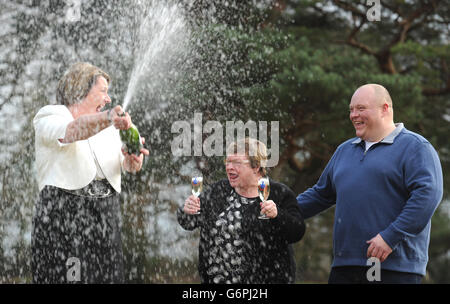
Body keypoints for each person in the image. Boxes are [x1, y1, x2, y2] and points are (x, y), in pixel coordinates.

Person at [296, 84, 443, 284]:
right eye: (351, 110)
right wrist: (281, 211)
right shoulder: (344, 150)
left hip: (393, 268)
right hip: (344, 266)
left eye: (361, 108)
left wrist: (390, 237)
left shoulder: (416, 148)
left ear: (385, 108)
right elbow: (320, 194)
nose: (353, 115)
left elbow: (427, 196)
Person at [31, 62, 149, 283]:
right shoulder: (50, 115)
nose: (108, 99)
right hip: (64, 215)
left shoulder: (108, 130)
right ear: (79, 90)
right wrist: (107, 118)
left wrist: (133, 159)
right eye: (103, 91)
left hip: (105, 215)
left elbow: (128, 166)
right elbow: (72, 132)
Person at [177, 137, 305, 284]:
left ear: (256, 166)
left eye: (236, 162)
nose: (229, 167)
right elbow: (189, 222)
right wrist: (186, 211)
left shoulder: (279, 193)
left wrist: (278, 215)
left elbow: (297, 230)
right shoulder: (218, 191)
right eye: (228, 161)